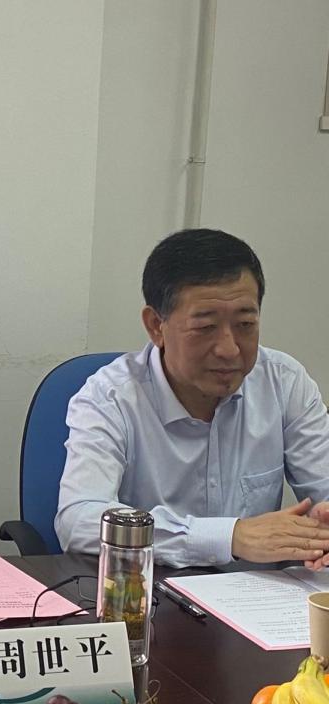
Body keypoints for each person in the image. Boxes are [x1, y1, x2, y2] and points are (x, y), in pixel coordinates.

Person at [56, 228, 329, 569]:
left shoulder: (284, 381)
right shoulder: (110, 397)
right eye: (205, 327)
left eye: (245, 324)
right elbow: (78, 520)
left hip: (262, 596)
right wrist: (230, 537)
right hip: (151, 593)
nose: (229, 349)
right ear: (156, 325)